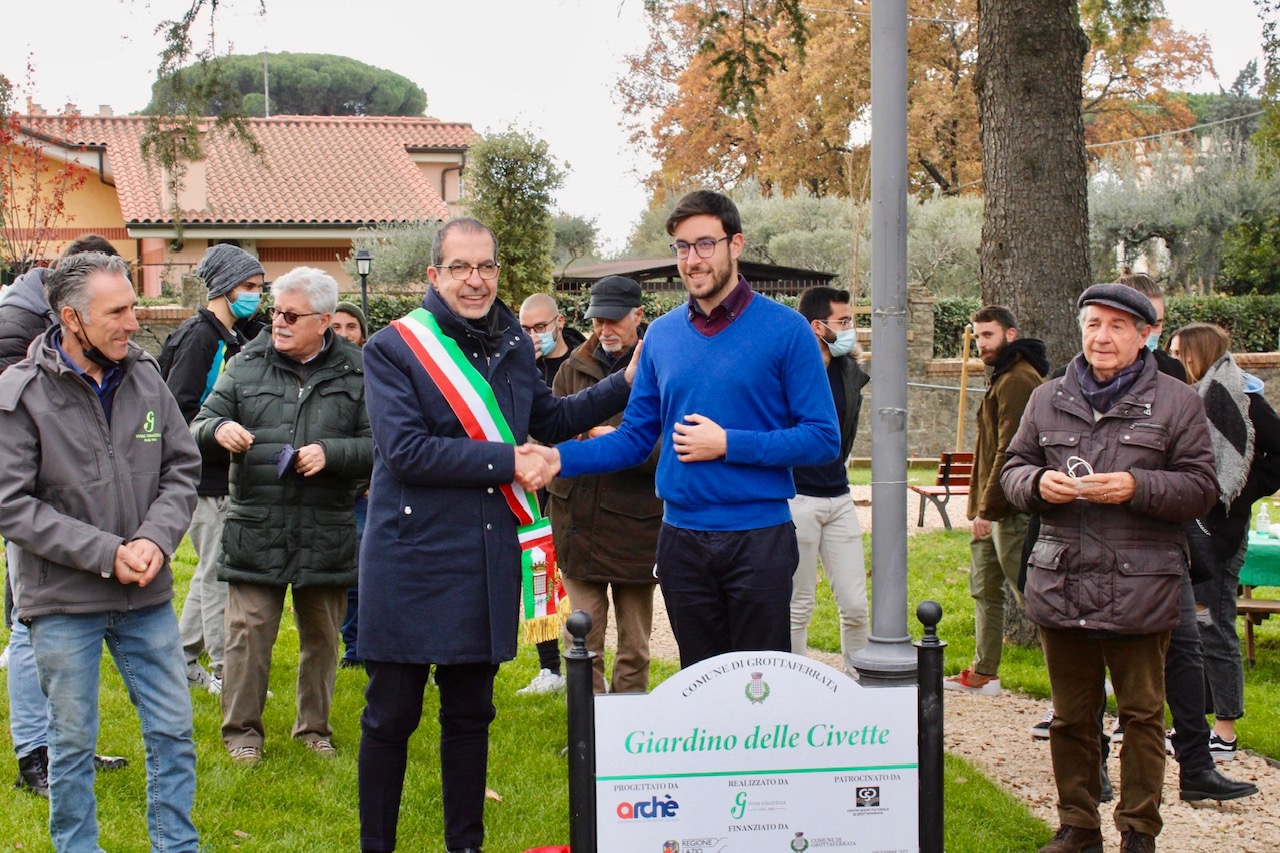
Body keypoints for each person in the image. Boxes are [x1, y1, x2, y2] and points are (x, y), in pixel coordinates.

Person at [357, 217, 636, 853]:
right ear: (434, 275)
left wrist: (622, 384)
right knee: (391, 715)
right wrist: (511, 460)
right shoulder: (394, 348)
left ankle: (466, 845)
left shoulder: (512, 341)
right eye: (460, 268)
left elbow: (550, 418)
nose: (475, 280)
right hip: (410, 556)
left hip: (483, 554)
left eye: (485, 267)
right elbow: (405, 452)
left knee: (470, 714)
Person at [525, 190, 839, 667]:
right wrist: (559, 459)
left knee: (760, 686)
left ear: (736, 244)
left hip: (758, 539)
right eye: (682, 247)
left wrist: (728, 444)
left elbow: (823, 438)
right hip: (680, 540)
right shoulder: (662, 337)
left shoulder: (786, 330)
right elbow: (633, 438)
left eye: (705, 244)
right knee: (701, 686)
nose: (692, 260)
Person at [1002, 283, 1218, 853]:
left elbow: (1202, 488)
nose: (1102, 336)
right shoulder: (1046, 398)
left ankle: (1138, 830)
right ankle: (1078, 824)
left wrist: (1137, 485)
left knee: (1143, 716)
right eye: (1094, 323)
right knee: (1072, 717)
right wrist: (1035, 484)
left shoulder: (1178, 401)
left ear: (1145, 335)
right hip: (1062, 577)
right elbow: (1012, 469)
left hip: (1142, 585)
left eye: (1118, 326)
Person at [0, 252, 202, 850]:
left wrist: (154, 540)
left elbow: (181, 468)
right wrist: (107, 552)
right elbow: (12, 505)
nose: (132, 323)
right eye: (116, 312)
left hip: (146, 596)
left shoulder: (145, 376)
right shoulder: (20, 393)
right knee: (71, 743)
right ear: (70, 318)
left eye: (133, 307)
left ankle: (177, 846)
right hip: (63, 600)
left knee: (173, 732)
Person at [192, 267, 372, 765]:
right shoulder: (245, 364)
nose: (278, 322)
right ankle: (242, 735)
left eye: (291, 315)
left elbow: (382, 445)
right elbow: (198, 424)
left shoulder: (360, 373)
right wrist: (220, 429)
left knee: (322, 636)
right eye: (276, 312)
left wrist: (333, 453)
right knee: (248, 633)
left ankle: (313, 729)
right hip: (256, 521)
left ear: (324, 322)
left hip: (326, 525)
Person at [0, 236, 131, 798]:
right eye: (114, 307)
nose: (126, 320)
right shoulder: (17, 324)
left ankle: (69, 745)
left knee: (72, 628)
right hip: (34, 503)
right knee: (31, 624)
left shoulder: (48, 315)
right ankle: (35, 754)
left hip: (76, 503)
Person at [1169, 323, 1280, 764]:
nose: (1174, 359)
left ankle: (1226, 730)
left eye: (1180, 352)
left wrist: (1244, 489)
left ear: (1198, 352)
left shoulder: (1242, 398)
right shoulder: (1189, 397)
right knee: (1186, 630)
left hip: (1221, 533)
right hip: (1189, 526)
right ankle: (1190, 723)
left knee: (1213, 625)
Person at [547, 276, 662, 693]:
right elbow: (550, 433)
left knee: (634, 645)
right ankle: (587, 737)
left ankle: (628, 736)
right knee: (581, 641)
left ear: (638, 315)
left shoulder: (662, 366)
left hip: (636, 527)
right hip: (575, 522)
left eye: (614, 320)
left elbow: (672, 447)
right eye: (597, 320)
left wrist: (614, 441)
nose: (604, 330)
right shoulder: (570, 367)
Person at [160, 243, 266, 696]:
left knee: (211, 569)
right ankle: (226, 669)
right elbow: (177, 408)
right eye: (248, 287)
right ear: (223, 288)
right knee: (220, 572)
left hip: (221, 473)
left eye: (260, 288)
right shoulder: (201, 338)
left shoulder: (231, 335)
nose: (257, 297)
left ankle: (183, 658)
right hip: (204, 476)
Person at [946, 305, 1048, 695]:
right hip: (990, 508)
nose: (981, 343)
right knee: (984, 588)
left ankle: (1083, 677)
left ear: (1010, 334)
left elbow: (1010, 451)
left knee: (1031, 595)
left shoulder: (1018, 379)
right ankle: (984, 671)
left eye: (988, 335)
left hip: (1011, 509)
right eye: (978, 335)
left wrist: (988, 510)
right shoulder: (1002, 376)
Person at [788, 286, 870, 674]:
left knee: (855, 605)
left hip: (839, 497)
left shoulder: (849, 371)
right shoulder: (788, 368)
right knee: (797, 604)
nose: (851, 329)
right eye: (844, 322)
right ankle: (789, 688)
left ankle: (860, 683)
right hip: (797, 498)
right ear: (818, 326)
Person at [514, 292, 586, 695]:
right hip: (534, 488)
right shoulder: (519, 366)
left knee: (579, 580)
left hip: (577, 483)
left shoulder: (581, 362)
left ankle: (587, 664)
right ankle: (549, 667)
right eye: (525, 328)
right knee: (537, 569)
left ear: (559, 322)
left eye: (539, 327)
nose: (532, 335)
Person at [330, 300, 369, 669]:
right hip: (329, 490)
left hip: (364, 492)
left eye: (351, 327)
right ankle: (350, 644)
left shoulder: (375, 371)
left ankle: (360, 647)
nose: (343, 333)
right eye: (336, 326)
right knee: (340, 577)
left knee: (363, 576)